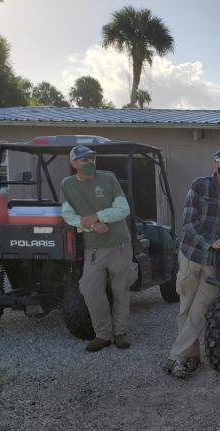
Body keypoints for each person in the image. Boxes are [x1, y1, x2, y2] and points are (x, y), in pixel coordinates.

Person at [165, 147, 220, 378]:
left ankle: (176, 358)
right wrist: (211, 241)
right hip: (192, 254)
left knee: (201, 309)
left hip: (216, 260)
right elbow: (189, 222)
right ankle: (190, 357)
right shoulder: (199, 186)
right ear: (214, 165)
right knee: (185, 309)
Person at [61, 145, 135, 352]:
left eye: (92, 159)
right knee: (90, 290)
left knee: (121, 289)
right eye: (84, 160)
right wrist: (93, 225)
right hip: (94, 249)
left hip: (120, 244)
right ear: (73, 163)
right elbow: (68, 215)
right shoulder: (67, 185)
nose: (90, 162)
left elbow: (123, 209)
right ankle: (103, 334)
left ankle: (120, 332)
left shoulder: (108, 179)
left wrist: (98, 216)